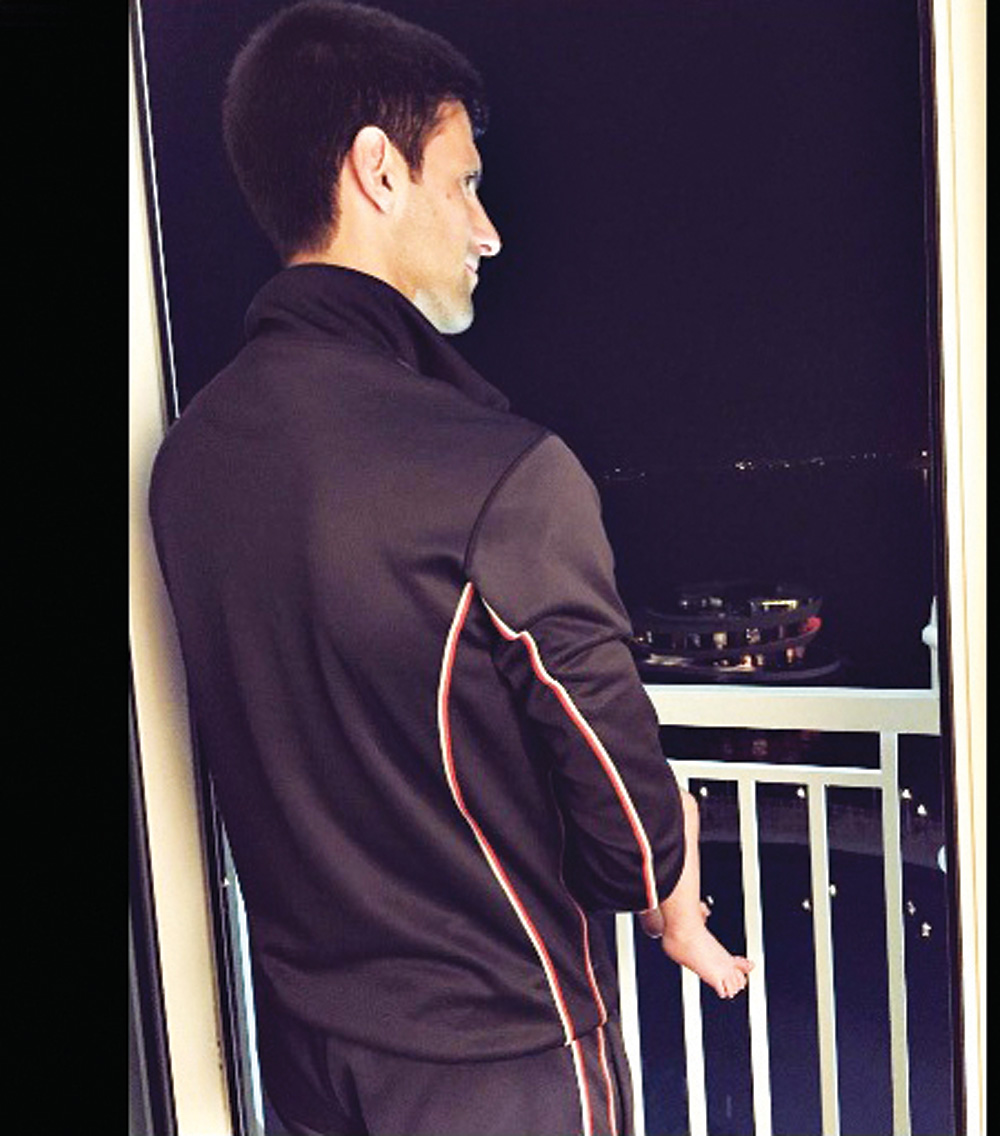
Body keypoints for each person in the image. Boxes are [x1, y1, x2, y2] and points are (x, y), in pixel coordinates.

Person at [148, 3, 751, 1133]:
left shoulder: (190, 464)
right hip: (500, 1061)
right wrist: (669, 863)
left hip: (309, 1062)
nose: (489, 230)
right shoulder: (496, 474)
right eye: (465, 182)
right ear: (378, 170)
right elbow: (628, 835)